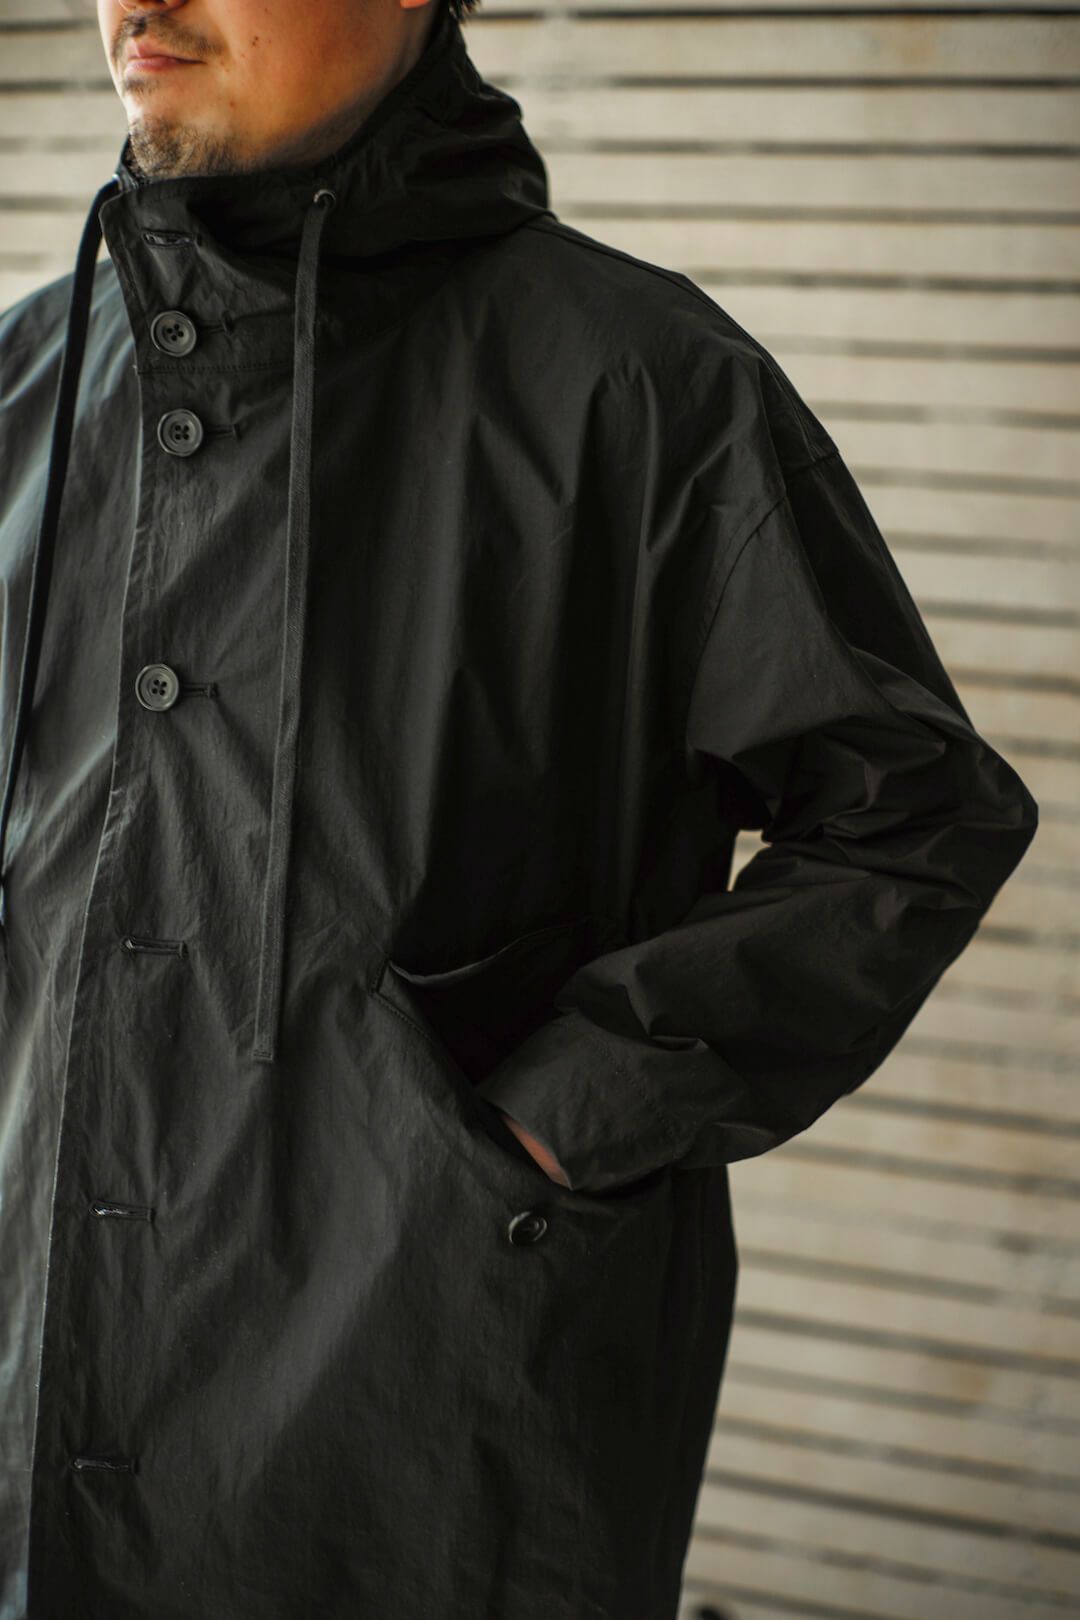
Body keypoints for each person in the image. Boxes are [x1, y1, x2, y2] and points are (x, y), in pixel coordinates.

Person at [0, 0, 1039, 1614]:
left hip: (430, 1411)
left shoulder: (643, 383)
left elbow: (909, 813)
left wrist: (563, 1120)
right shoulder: (30, 385)